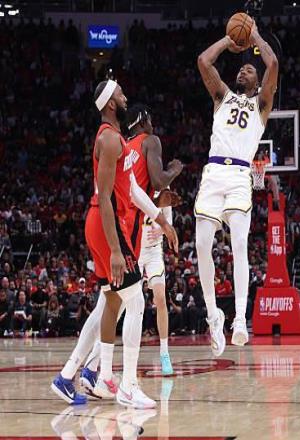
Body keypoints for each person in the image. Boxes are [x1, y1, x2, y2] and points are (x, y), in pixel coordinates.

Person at [51, 79, 178, 408]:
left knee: (111, 302)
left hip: (100, 223)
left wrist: (162, 221)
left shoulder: (116, 139)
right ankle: (128, 386)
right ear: (110, 103)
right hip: (107, 223)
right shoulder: (109, 139)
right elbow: (106, 197)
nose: (125, 97)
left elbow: (133, 190)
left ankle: (85, 375)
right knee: (135, 303)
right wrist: (117, 250)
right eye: (120, 93)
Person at [79, 104, 184, 384]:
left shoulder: (123, 146)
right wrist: (175, 168)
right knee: (126, 302)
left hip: (127, 229)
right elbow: (152, 184)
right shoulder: (146, 141)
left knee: (123, 301)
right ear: (144, 120)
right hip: (128, 232)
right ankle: (118, 379)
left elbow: (136, 190)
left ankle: (90, 370)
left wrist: (162, 219)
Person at [195, 23, 278, 355]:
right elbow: (204, 61)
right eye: (241, 69)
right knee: (202, 244)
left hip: (241, 174)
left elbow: (273, 63)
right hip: (214, 171)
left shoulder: (262, 104)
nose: (244, 70)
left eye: (249, 70)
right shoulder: (222, 96)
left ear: (257, 82)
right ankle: (214, 315)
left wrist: (253, 34)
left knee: (240, 243)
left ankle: (240, 318)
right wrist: (228, 40)